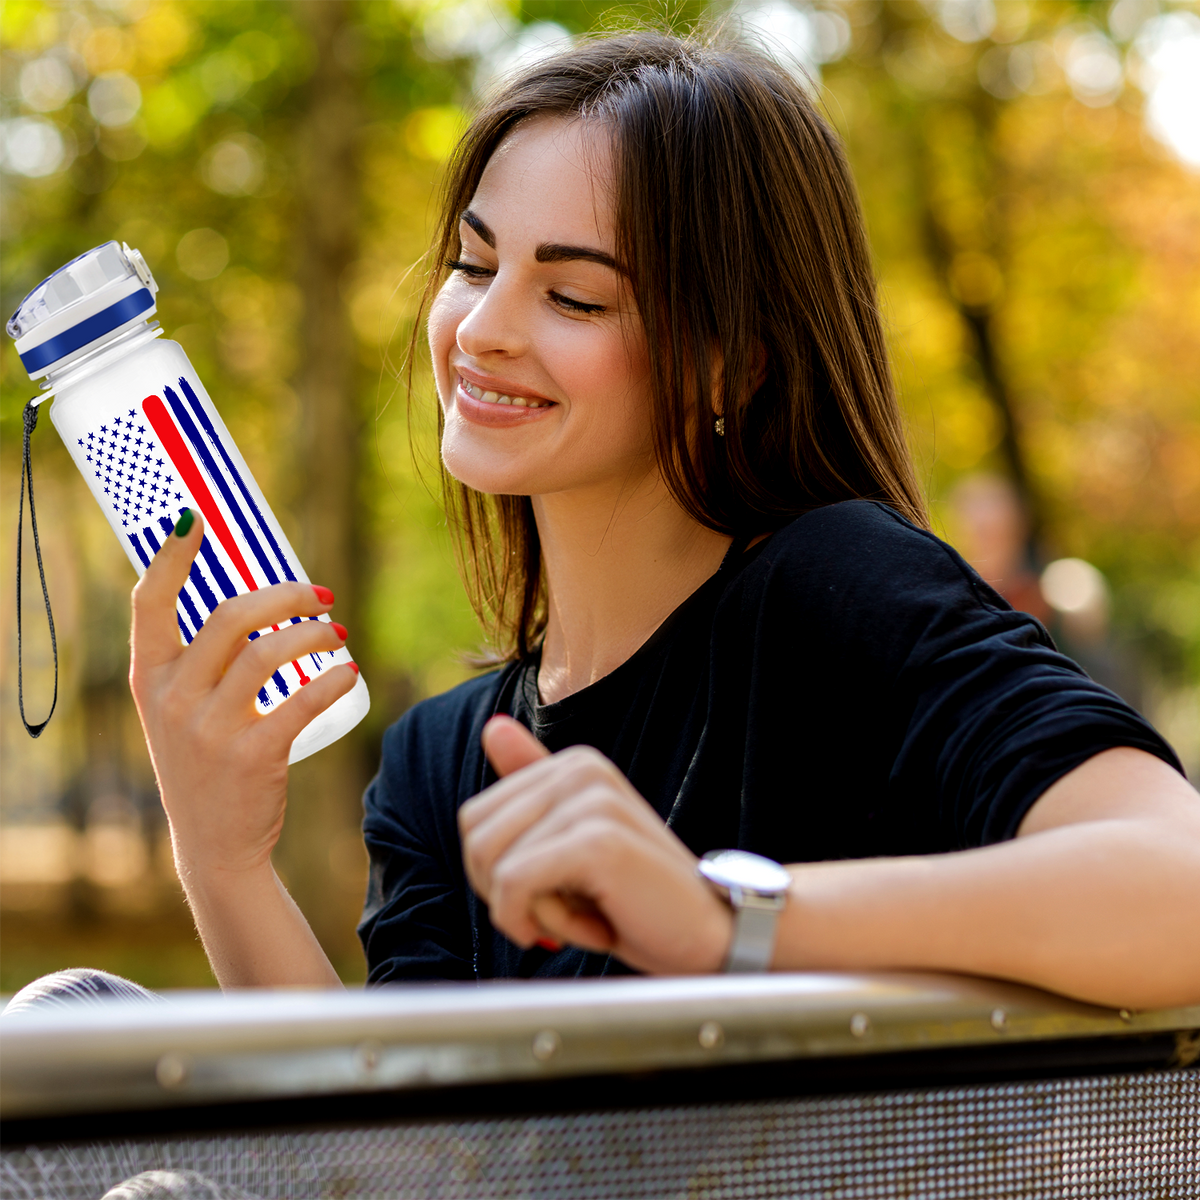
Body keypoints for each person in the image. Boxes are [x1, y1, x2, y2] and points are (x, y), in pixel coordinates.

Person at [127, 31, 1200, 1010]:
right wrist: (221, 862)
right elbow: (404, 1160)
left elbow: (1178, 889)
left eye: (575, 297)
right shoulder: (439, 763)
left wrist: (724, 919)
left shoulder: (835, 593)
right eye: (472, 264)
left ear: (732, 360)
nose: (482, 329)